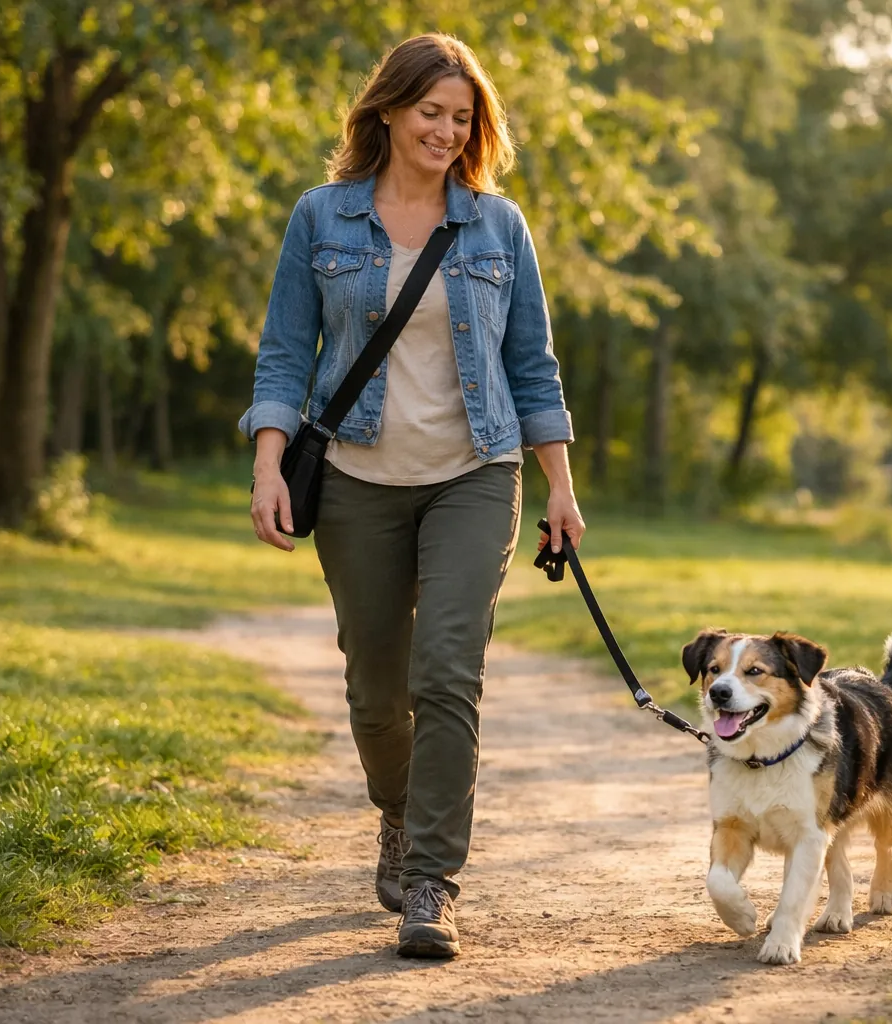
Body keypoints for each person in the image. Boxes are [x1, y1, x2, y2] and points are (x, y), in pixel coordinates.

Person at [241, 32, 585, 960]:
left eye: (461, 116)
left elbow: (531, 367)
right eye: (430, 111)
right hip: (354, 480)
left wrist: (559, 487)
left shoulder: (496, 225)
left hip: (477, 471)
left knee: (447, 670)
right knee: (374, 693)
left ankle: (432, 878)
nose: (444, 129)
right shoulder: (321, 218)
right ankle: (396, 812)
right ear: (387, 110)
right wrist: (270, 467)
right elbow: (283, 356)